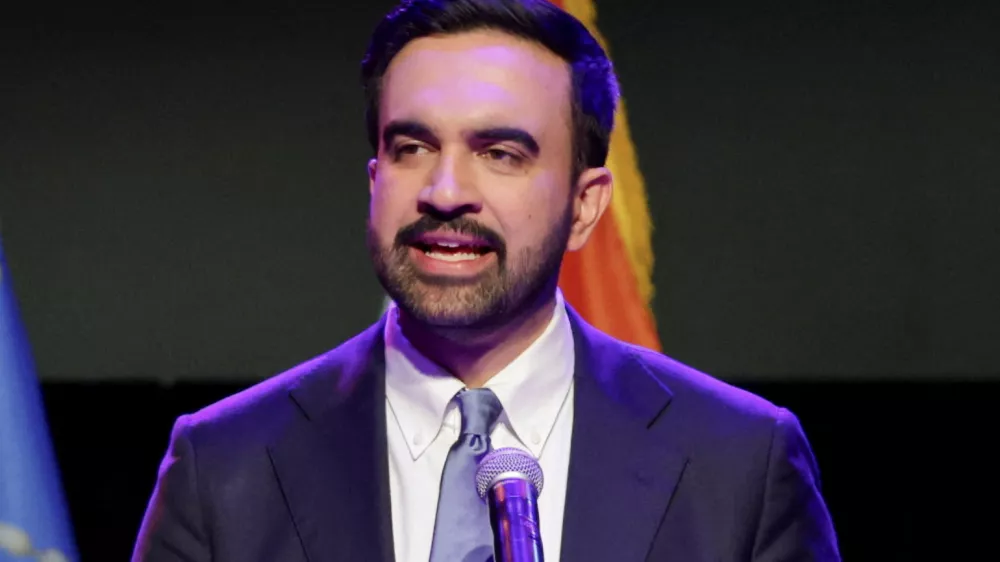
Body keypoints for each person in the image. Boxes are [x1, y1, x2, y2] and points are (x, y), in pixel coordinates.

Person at [131, 0, 840, 560]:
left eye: (499, 153)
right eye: (412, 148)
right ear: (375, 181)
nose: (444, 191)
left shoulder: (739, 464)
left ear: (586, 205)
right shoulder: (224, 467)